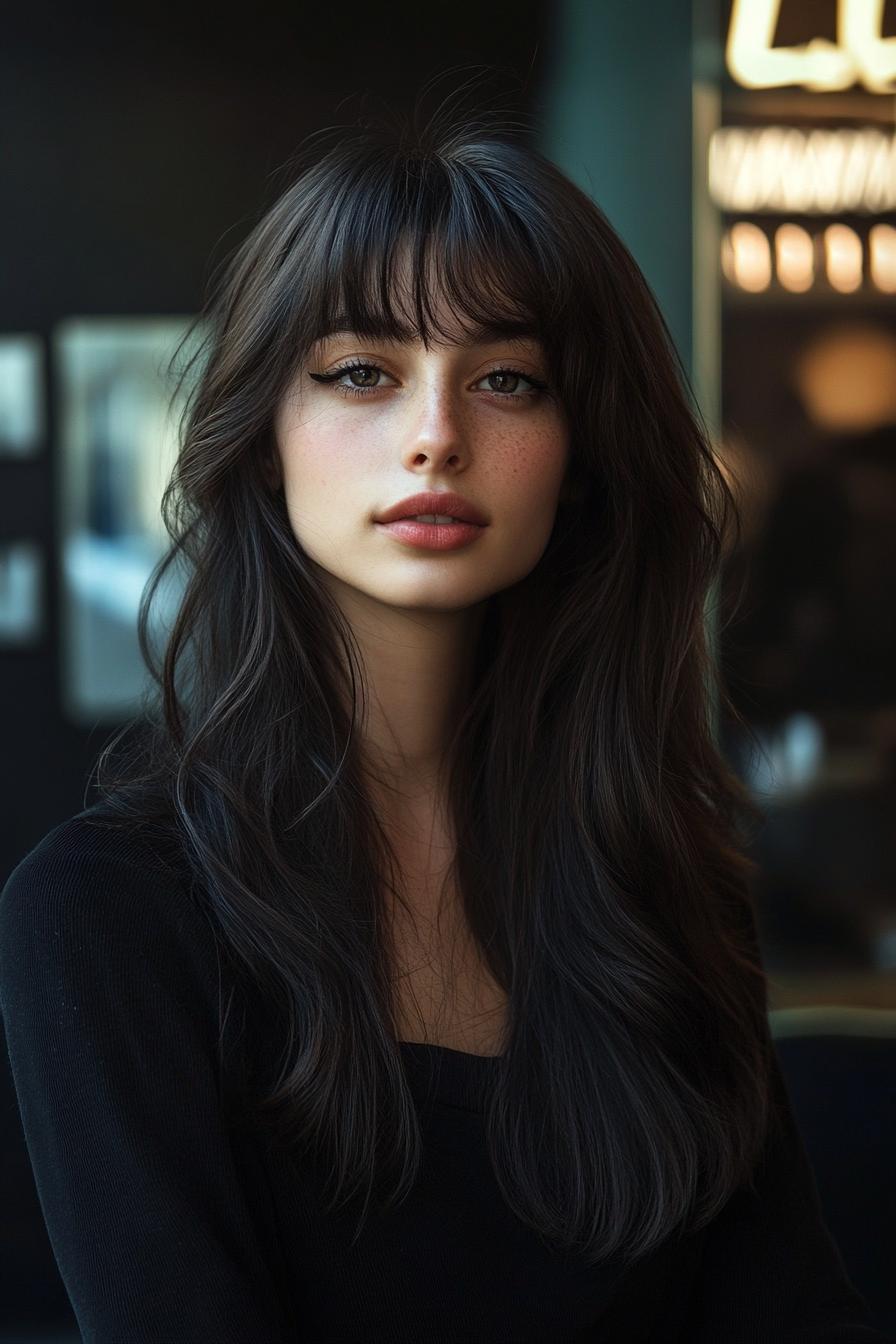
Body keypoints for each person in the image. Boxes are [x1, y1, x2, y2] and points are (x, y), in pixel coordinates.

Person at [0, 93, 886, 1342]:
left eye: (508, 380)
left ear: (578, 455)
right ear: (266, 439)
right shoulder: (103, 915)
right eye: (363, 373)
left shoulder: (663, 885)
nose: (435, 436)